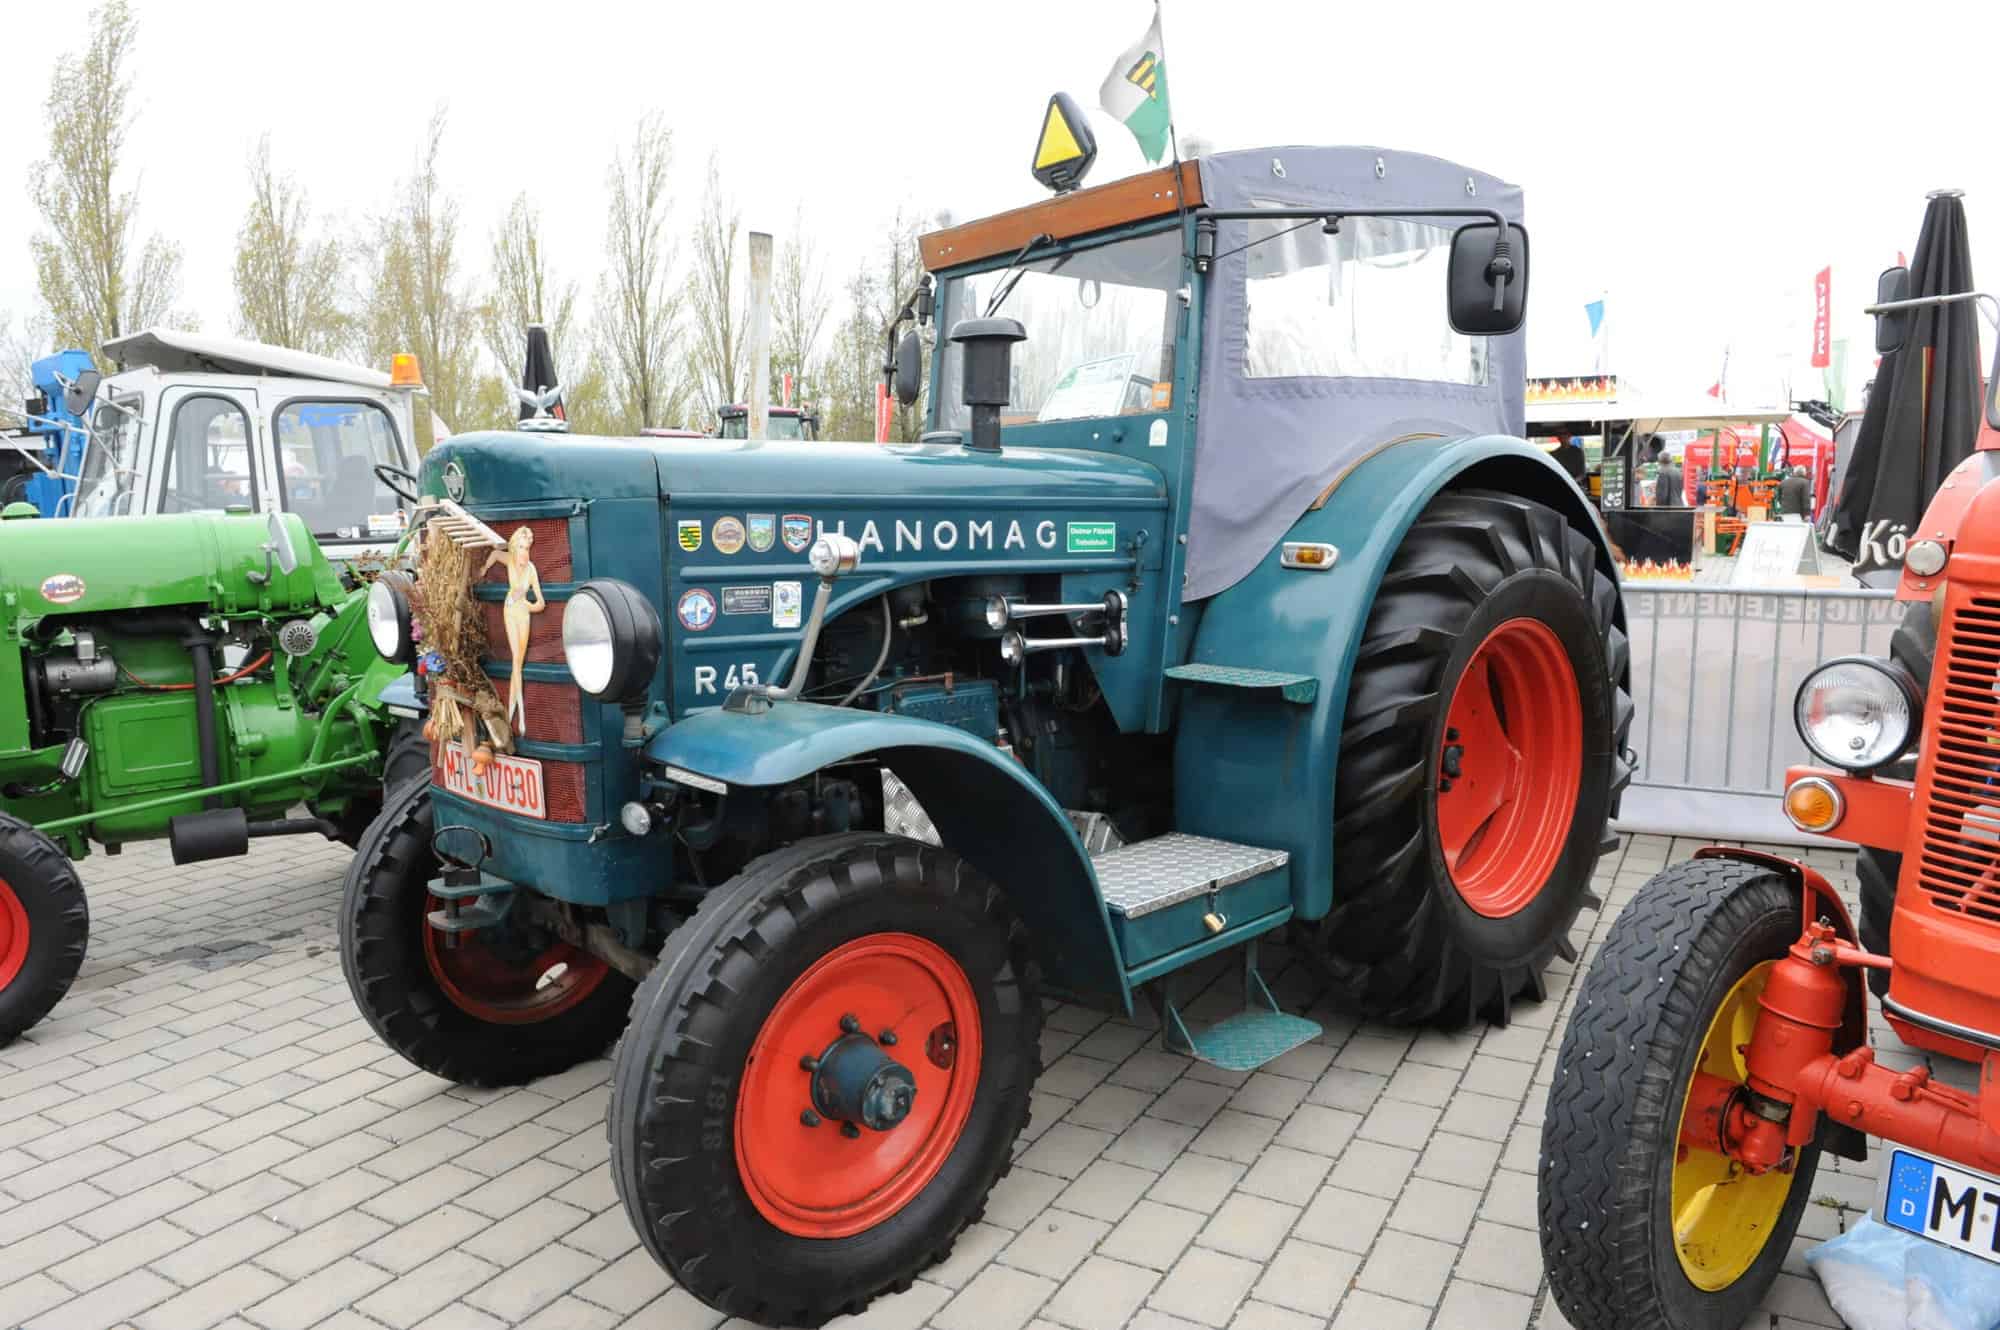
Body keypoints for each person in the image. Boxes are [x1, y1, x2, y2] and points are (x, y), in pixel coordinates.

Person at [482, 526, 545, 734]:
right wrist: (484, 569)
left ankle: (511, 717)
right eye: (521, 547)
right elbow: (494, 554)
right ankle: (520, 717)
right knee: (516, 660)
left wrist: (528, 604)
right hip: (509, 611)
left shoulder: (531, 570)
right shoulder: (509, 560)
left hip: (523, 614)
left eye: (527, 547)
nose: (524, 551)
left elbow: (541, 603)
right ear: (514, 547)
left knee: (517, 664)